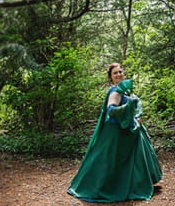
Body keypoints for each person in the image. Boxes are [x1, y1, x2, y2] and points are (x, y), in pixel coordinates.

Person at [67, 62, 162, 202]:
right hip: (116, 132)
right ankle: (102, 187)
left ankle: (132, 185)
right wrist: (127, 107)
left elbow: (136, 108)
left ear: (124, 74)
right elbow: (111, 111)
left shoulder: (127, 91)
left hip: (129, 131)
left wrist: (136, 116)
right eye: (115, 73)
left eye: (120, 72)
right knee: (109, 160)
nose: (118, 75)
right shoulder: (115, 92)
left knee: (131, 160)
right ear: (110, 77)